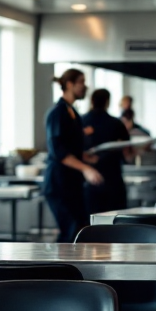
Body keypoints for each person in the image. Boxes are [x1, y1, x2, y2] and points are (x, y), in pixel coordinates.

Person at [43, 69, 103, 242]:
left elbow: (69, 147)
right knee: (70, 230)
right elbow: (58, 152)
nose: (85, 86)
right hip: (58, 184)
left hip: (71, 184)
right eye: (81, 82)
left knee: (79, 230)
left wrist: (85, 157)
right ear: (69, 84)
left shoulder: (73, 113)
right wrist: (86, 168)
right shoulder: (57, 113)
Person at [82, 89, 134, 215]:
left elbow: (73, 149)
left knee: (90, 221)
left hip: (88, 179)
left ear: (91, 101)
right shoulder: (116, 124)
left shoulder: (81, 121)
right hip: (113, 179)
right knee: (115, 219)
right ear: (107, 102)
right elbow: (128, 154)